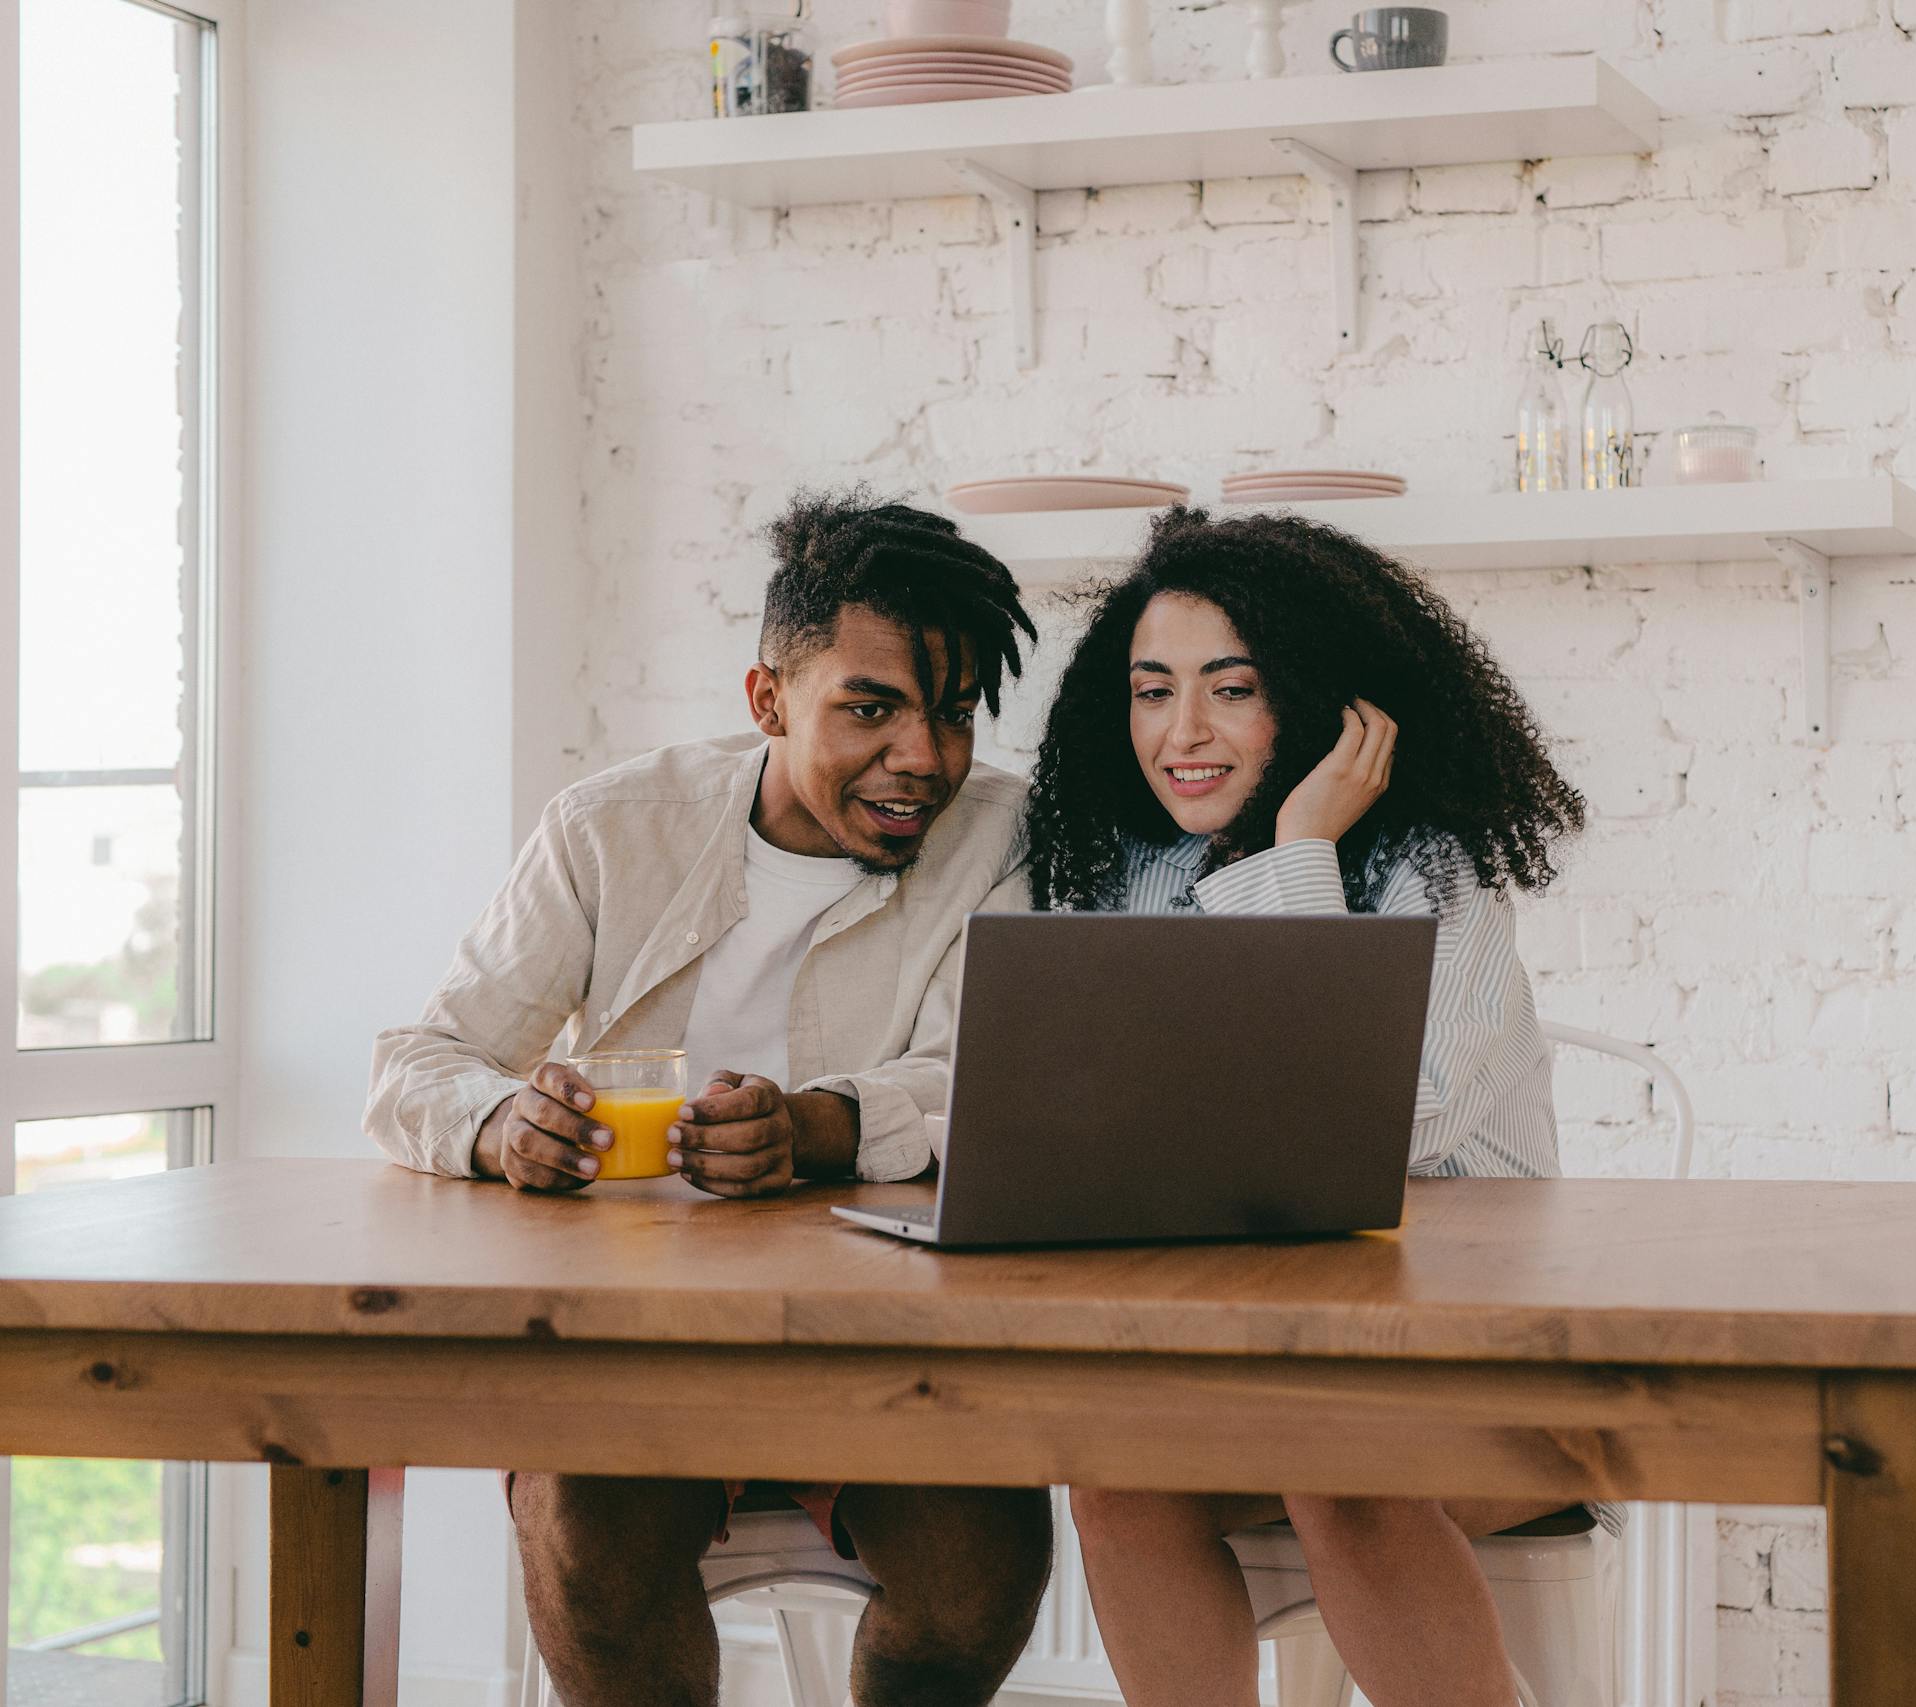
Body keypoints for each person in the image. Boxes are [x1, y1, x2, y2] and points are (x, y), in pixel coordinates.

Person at [364, 490, 1052, 1707]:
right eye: (871, 708)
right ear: (768, 700)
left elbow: (995, 1082)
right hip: (634, 1339)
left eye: (952, 714)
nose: (924, 760)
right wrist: (498, 1123)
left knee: (981, 1570)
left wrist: (824, 1125)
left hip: (889, 1343)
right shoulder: (610, 829)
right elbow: (425, 1057)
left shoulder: (1000, 839)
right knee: (588, 1543)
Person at [1022, 507, 1592, 1707]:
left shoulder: (1436, 876)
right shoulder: (1128, 876)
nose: (1181, 733)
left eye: (1230, 689)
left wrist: (1297, 852)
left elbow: (1367, 1124)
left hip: (1481, 1367)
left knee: (1346, 1473)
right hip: (1264, 1359)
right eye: (1151, 689)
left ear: (1332, 710)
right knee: (1116, 1478)